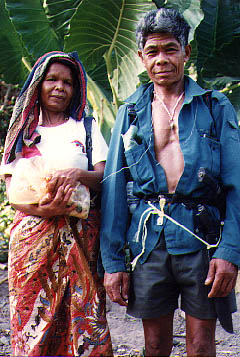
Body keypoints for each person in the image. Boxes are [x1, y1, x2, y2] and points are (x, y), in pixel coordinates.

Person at [100, 8, 240, 357]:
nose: (162, 59)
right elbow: (115, 190)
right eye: (153, 51)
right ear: (141, 57)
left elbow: (237, 185)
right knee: (155, 345)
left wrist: (230, 253)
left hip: (202, 239)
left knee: (200, 346)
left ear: (186, 52)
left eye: (170, 49)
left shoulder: (216, 106)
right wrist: (114, 262)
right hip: (148, 242)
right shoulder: (130, 111)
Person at [1, 51, 113, 356]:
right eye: (52, 79)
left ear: (76, 89)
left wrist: (78, 174)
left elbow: (104, 176)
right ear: (39, 83)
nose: (59, 87)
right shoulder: (23, 134)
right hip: (32, 242)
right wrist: (43, 210)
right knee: (33, 322)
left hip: (80, 237)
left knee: (84, 318)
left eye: (67, 82)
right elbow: (12, 191)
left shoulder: (85, 129)